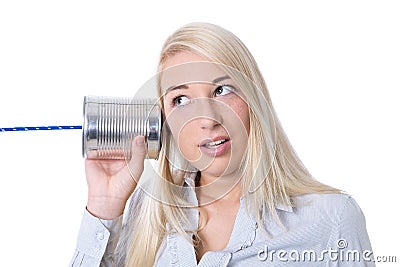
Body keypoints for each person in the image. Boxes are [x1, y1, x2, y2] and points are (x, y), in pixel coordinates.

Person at [70, 22, 374, 266]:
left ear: (254, 100)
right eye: (181, 99)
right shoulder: (145, 216)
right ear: (166, 121)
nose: (207, 119)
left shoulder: (331, 218)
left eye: (222, 90)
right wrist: (104, 208)